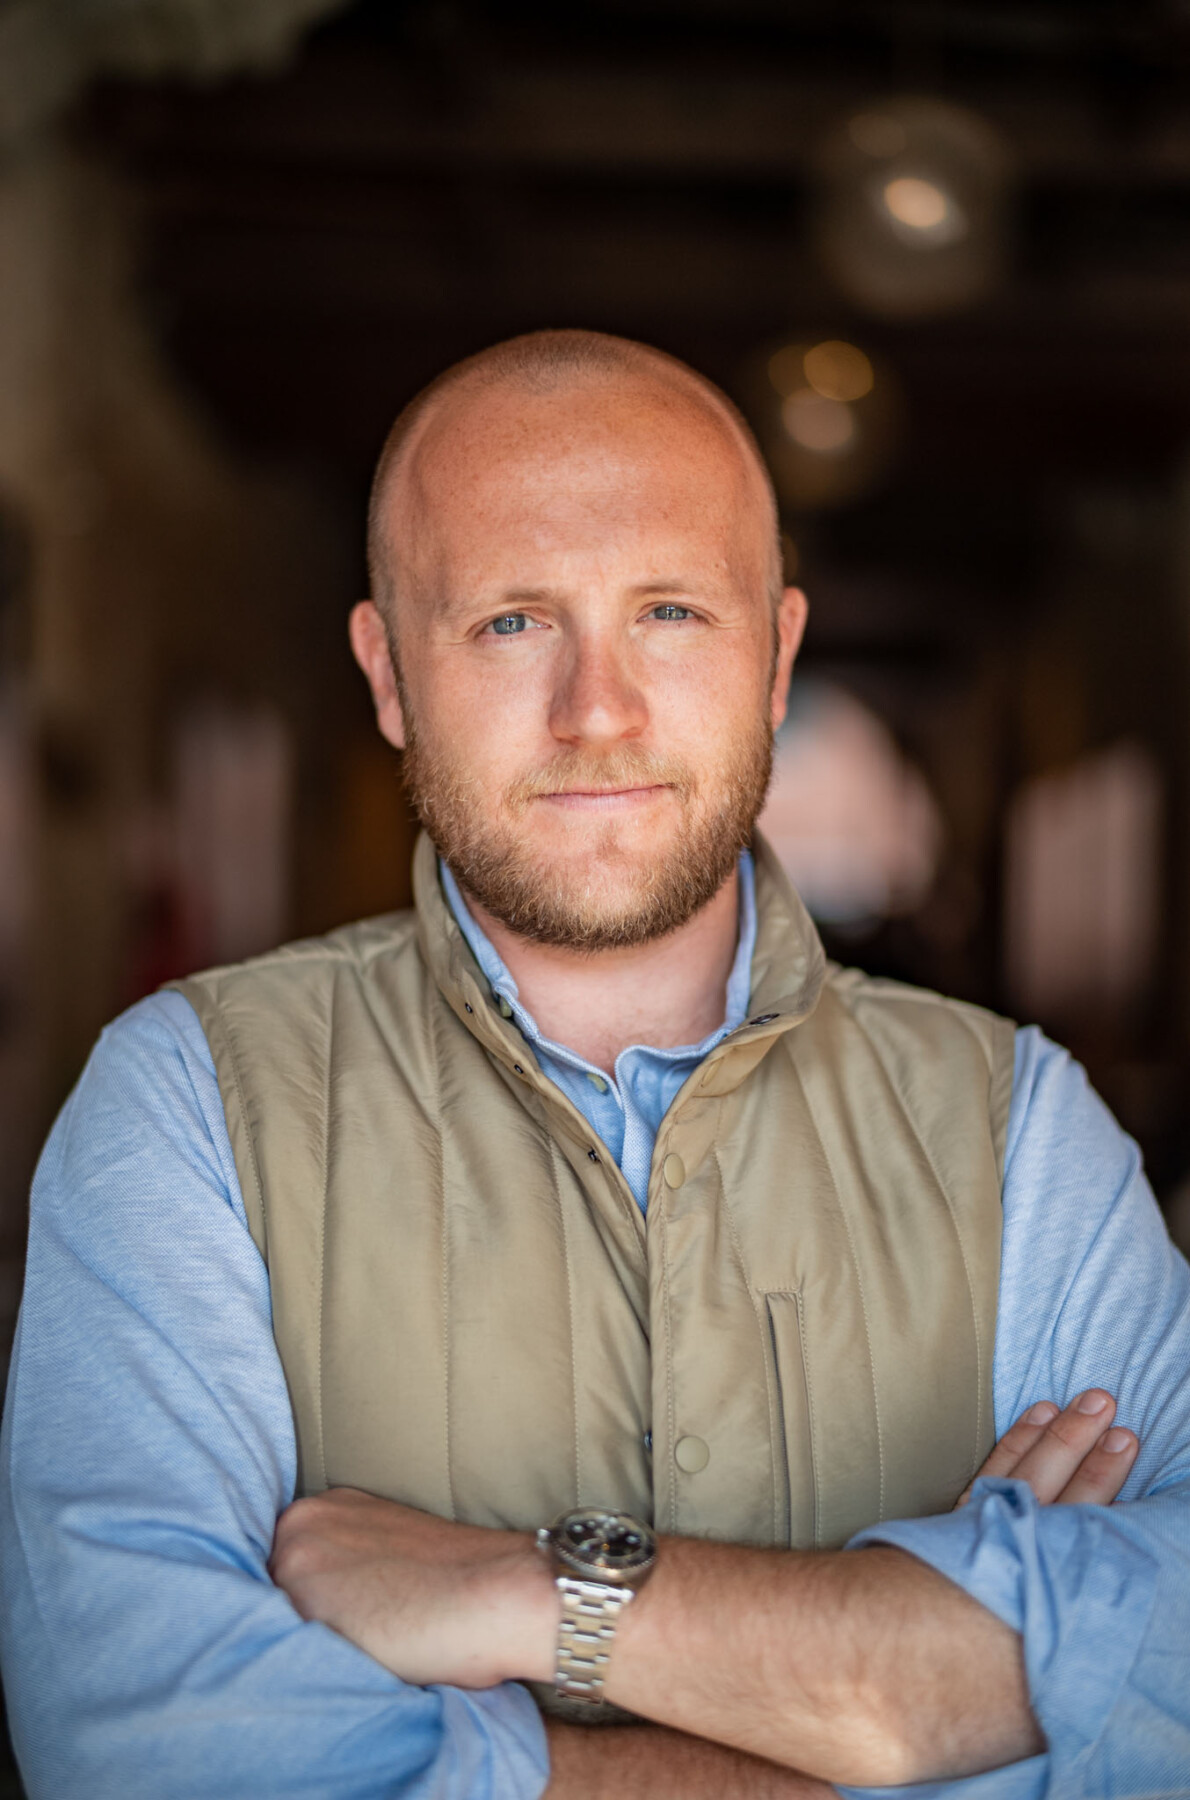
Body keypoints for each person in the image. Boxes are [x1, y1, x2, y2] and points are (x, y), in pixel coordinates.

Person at [1, 330, 1188, 1800]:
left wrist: (532, 1597)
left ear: (777, 659)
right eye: (509, 622)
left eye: (672, 613)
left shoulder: (1020, 1128)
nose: (597, 709)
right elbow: (152, 1756)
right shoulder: (184, 1106)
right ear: (384, 673)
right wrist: (906, 1703)